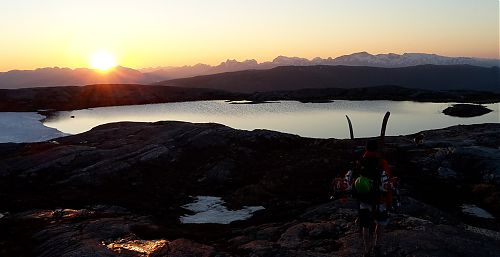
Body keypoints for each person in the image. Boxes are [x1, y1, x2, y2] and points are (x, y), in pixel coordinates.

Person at [353, 139, 393, 257]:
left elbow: (356, 180)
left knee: (365, 225)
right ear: (377, 149)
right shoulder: (382, 162)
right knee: (380, 223)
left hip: (364, 199)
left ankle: (366, 250)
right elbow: (387, 182)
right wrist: (389, 201)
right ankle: (377, 246)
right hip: (379, 200)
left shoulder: (360, 161)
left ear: (366, 148)